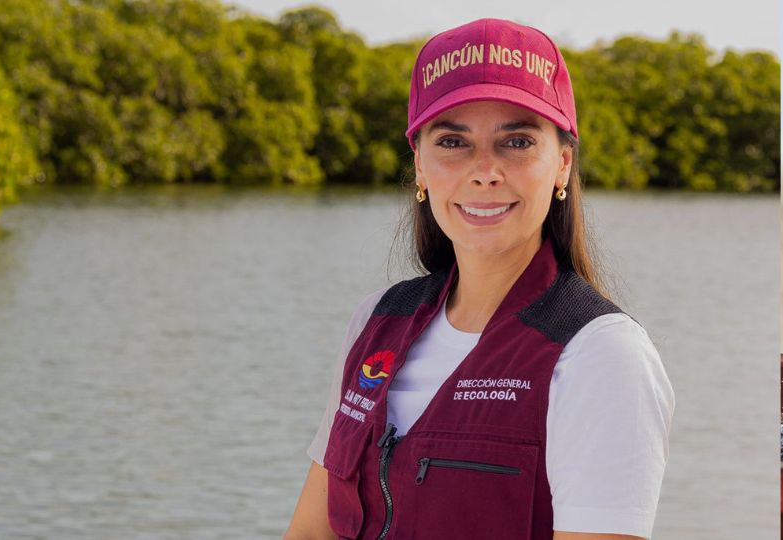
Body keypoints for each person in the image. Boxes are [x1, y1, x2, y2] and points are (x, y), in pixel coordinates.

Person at [285, 18, 674, 540]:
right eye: (452, 141)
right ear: (420, 165)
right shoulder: (377, 321)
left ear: (561, 164)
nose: (485, 170)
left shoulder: (601, 354)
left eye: (516, 141)